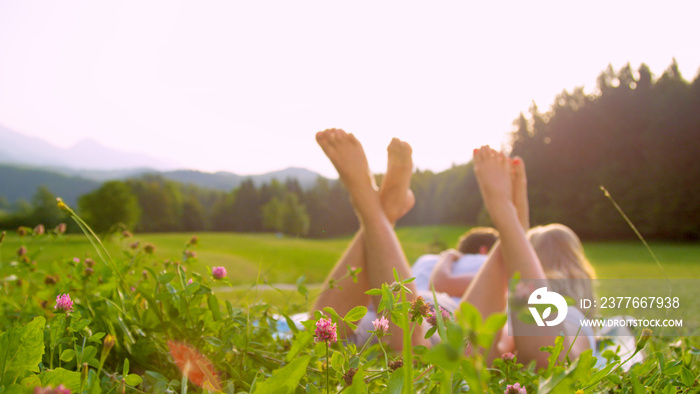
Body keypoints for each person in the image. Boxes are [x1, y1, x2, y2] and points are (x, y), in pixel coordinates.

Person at [462, 146, 596, 366]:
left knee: (547, 358)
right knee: (545, 358)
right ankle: (512, 224)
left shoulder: (568, 315)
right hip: (561, 325)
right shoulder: (577, 311)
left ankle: (510, 221)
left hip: (563, 322)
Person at [311, 128, 429, 350]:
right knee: (318, 340)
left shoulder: (446, 261)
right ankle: (379, 210)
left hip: (429, 315)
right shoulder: (432, 261)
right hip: (394, 307)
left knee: (316, 342)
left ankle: (372, 203)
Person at [410, 227, 498, 303]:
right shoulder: (486, 263)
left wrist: (449, 255)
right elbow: (438, 286)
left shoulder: (425, 259)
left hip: (407, 312)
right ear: (484, 250)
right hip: (437, 313)